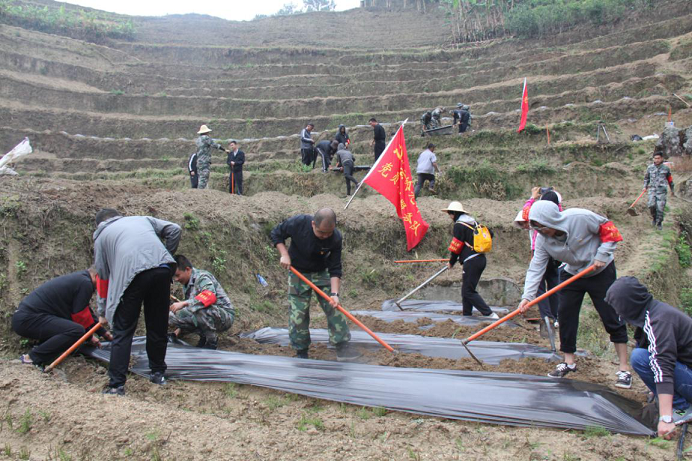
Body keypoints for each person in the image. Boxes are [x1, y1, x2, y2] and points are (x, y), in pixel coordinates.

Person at [517, 201, 631, 387]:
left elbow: (609, 229)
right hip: (572, 273)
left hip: (600, 271)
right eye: (537, 228)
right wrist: (527, 297)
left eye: (543, 227)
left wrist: (602, 255)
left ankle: (624, 369)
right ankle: (568, 362)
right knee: (566, 316)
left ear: (552, 220)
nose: (542, 232)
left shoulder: (580, 217)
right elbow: (536, 268)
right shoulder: (543, 240)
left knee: (611, 316)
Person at [93, 208, 181, 395]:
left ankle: (116, 385)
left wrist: (103, 311)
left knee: (123, 330)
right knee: (157, 325)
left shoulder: (101, 237)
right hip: (162, 270)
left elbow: (102, 276)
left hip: (132, 277)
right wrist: (164, 255)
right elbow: (175, 229)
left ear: (99, 225)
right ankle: (158, 373)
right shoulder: (141, 219)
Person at [606, 277, 692, 438]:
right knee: (642, 354)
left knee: (640, 358)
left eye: (618, 308)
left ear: (628, 305)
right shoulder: (654, 312)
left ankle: (682, 408)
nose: (618, 313)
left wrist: (665, 418)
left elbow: (663, 367)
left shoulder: (660, 321)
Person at [270, 209, 359, 361]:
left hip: (321, 273)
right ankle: (301, 351)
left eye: (329, 233)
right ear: (313, 224)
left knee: (334, 308)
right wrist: (284, 254)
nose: (325, 236)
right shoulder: (298, 223)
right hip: (298, 272)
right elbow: (276, 233)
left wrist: (334, 294)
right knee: (299, 313)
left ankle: (342, 347)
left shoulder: (335, 238)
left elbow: (335, 268)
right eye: (321, 232)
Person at [11, 268, 113, 367]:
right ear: (97, 276)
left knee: (74, 329)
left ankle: (42, 349)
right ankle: (31, 358)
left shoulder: (81, 279)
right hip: (28, 319)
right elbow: (79, 315)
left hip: (26, 318)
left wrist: (103, 333)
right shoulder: (85, 283)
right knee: (77, 330)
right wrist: (89, 337)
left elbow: (86, 312)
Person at [443, 201, 498, 320]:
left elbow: (456, 246)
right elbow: (490, 234)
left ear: (453, 214)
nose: (450, 217)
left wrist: (451, 262)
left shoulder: (459, 225)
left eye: (449, 214)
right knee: (466, 290)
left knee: (468, 291)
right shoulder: (473, 223)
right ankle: (467, 315)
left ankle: (490, 314)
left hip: (472, 261)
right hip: (480, 259)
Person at [168, 255, 234, 350]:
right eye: (174, 276)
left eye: (178, 275)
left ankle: (211, 342)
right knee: (174, 316)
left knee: (197, 309)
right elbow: (188, 312)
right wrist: (177, 331)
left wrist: (184, 303)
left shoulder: (202, 277)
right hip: (209, 314)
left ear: (187, 269)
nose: (176, 279)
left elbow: (209, 296)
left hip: (224, 316)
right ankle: (204, 336)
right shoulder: (187, 284)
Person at [519, 187, 563, 324]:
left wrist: (532, 198)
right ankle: (555, 317)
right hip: (554, 253)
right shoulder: (559, 212)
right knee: (554, 283)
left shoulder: (538, 213)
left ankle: (547, 316)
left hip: (540, 250)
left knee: (540, 285)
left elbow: (525, 214)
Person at [644, 152, 674, 231]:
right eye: (655, 158)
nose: (657, 160)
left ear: (662, 158)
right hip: (652, 190)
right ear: (653, 159)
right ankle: (654, 218)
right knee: (651, 205)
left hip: (661, 191)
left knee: (660, 208)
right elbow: (646, 178)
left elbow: (670, 180)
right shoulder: (650, 168)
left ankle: (659, 222)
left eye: (658, 158)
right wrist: (645, 186)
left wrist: (672, 189)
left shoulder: (666, 168)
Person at [195, 125, 226, 190]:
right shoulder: (206, 138)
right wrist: (224, 150)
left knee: (200, 176)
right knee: (204, 177)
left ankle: (200, 190)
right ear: (206, 132)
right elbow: (214, 145)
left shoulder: (197, 140)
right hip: (205, 160)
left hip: (199, 161)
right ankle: (200, 190)